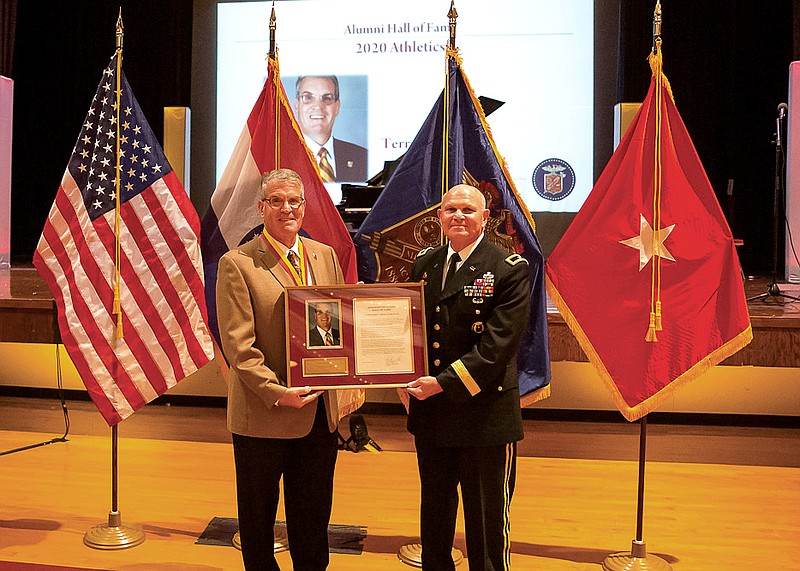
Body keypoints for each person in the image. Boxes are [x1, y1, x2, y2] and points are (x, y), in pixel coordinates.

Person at [216, 168, 345, 570]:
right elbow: (240, 348)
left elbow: (339, 330)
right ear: (261, 208)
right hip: (264, 413)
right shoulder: (237, 263)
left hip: (319, 413)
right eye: (277, 201)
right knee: (258, 524)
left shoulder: (324, 255)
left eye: (294, 201)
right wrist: (278, 393)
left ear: (304, 207)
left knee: (313, 519)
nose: (287, 208)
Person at [402, 184, 531, 571]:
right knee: (435, 518)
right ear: (439, 217)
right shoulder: (424, 264)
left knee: (487, 524)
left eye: (468, 210)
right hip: (433, 415)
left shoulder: (508, 268)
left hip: (484, 415)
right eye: (450, 209)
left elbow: (497, 347)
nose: (458, 216)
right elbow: (409, 329)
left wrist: (441, 383)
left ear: (485, 218)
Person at [294, 75, 367, 183]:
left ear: (337, 107)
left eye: (327, 98)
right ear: (297, 105)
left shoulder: (362, 157)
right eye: (308, 98)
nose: (318, 106)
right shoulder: (278, 157)